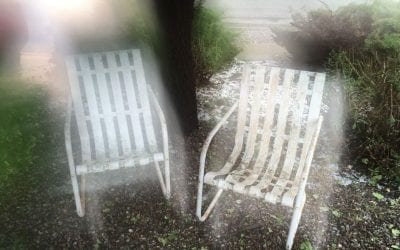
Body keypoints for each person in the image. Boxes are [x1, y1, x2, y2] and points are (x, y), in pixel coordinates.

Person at [0, 0, 28, 71]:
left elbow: (24, 34)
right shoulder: (15, 5)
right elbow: (24, 34)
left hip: (10, 52)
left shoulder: (13, 5)